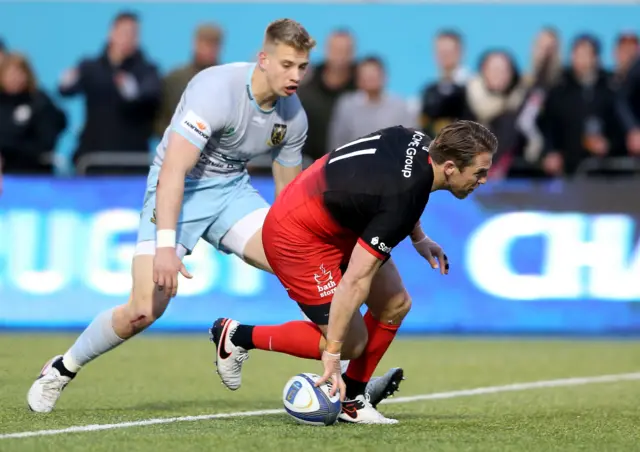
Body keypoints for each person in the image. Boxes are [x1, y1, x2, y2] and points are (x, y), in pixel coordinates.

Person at [27, 18, 402, 414]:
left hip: (232, 195)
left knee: (310, 266)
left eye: (303, 67)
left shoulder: (293, 117)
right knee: (142, 310)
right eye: (287, 64)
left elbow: (291, 202)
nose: (296, 76)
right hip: (177, 191)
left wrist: (309, 253)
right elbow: (174, 170)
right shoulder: (216, 90)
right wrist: (167, 247)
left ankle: (345, 380)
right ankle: (62, 369)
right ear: (263, 59)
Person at [210, 120, 498, 424]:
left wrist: (418, 237)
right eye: (479, 172)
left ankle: (353, 401)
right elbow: (355, 282)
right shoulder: (402, 197)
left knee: (394, 304)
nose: (483, 180)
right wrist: (333, 355)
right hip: (297, 236)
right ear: (450, 167)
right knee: (351, 342)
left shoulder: (415, 140)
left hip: (334, 218)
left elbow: (391, 186)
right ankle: (237, 336)